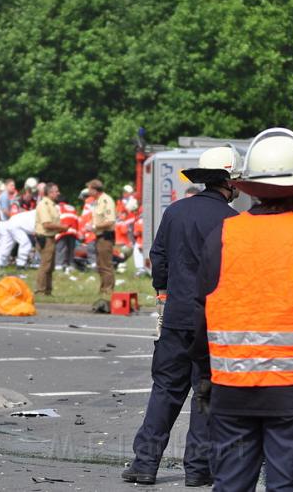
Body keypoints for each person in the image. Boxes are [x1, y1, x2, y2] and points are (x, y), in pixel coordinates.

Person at [190, 128, 293, 491]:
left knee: (230, 485)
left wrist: (204, 374)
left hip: (232, 390)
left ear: (249, 187)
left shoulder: (223, 235)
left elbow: (204, 315)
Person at [122, 146, 241, 487]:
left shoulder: (175, 212)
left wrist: (165, 289)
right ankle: (198, 469)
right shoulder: (234, 221)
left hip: (176, 316)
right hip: (214, 321)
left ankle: (145, 463)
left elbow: (157, 258)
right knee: (205, 391)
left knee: (165, 390)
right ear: (229, 182)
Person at [34, 183, 67, 295]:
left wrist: (60, 228)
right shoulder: (44, 205)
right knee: (45, 265)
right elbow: (47, 224)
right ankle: (40, 290)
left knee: (50, 266)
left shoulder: (52, 205)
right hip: (45, 238)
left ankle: (47, 290)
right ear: (50, 193)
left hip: (51, 237)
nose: (58, 193)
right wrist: (62, 227)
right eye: (56, 191)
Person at [87, 179, 116, 295]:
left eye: (89, 188)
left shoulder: (106, 200)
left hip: (105, 236)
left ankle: (108, 290)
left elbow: (110, 221)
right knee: (100, 264)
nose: (88, 191)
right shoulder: (98, 201)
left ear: (95, 190)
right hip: (99, 236)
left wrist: (94, 226)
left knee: (106, 265)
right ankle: (103, 288)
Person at [55, 197, 79, 273]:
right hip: (73, 230)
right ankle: (71, 265)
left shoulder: (57, 207)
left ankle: (59, 266)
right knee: (71, 249)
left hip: (62, 229)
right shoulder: (72, 207)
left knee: (61, 249)